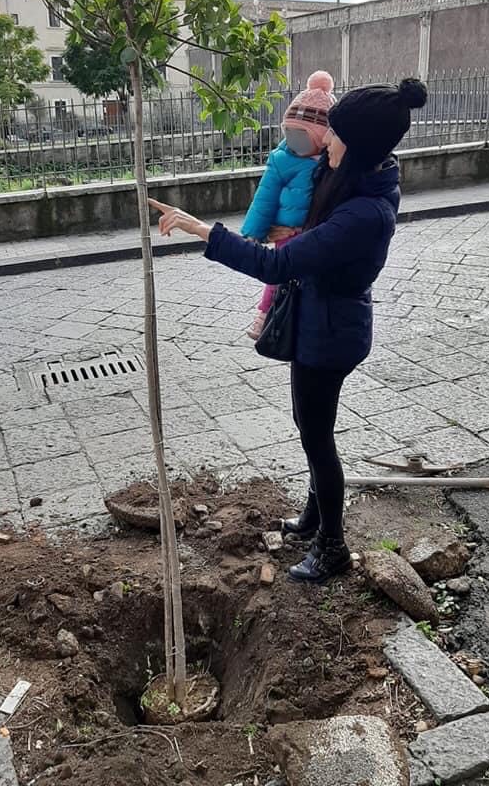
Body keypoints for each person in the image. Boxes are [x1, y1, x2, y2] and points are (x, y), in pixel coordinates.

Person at [149, 78, 428, 584]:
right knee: (309, 426)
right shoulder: (354, 177)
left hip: (331, 335)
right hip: (319, 322)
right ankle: (314, 518)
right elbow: (295, 209)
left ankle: (332, 547)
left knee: (317, 439)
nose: (325, 141)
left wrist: (201, 229)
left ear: (358, 144)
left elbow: (275, 266)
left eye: (335, 133)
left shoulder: (364, 212)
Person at [240, 71, 336, 339]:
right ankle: (264, 315)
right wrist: (254, 233)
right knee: (279, 274)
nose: (296, 142)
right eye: (290, 134)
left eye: (302, 136)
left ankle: (299, 319)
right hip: (288, 230)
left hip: (316, 232)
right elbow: (265, 197)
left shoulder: (332, 160)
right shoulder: (282, 159)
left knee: (309, 279)